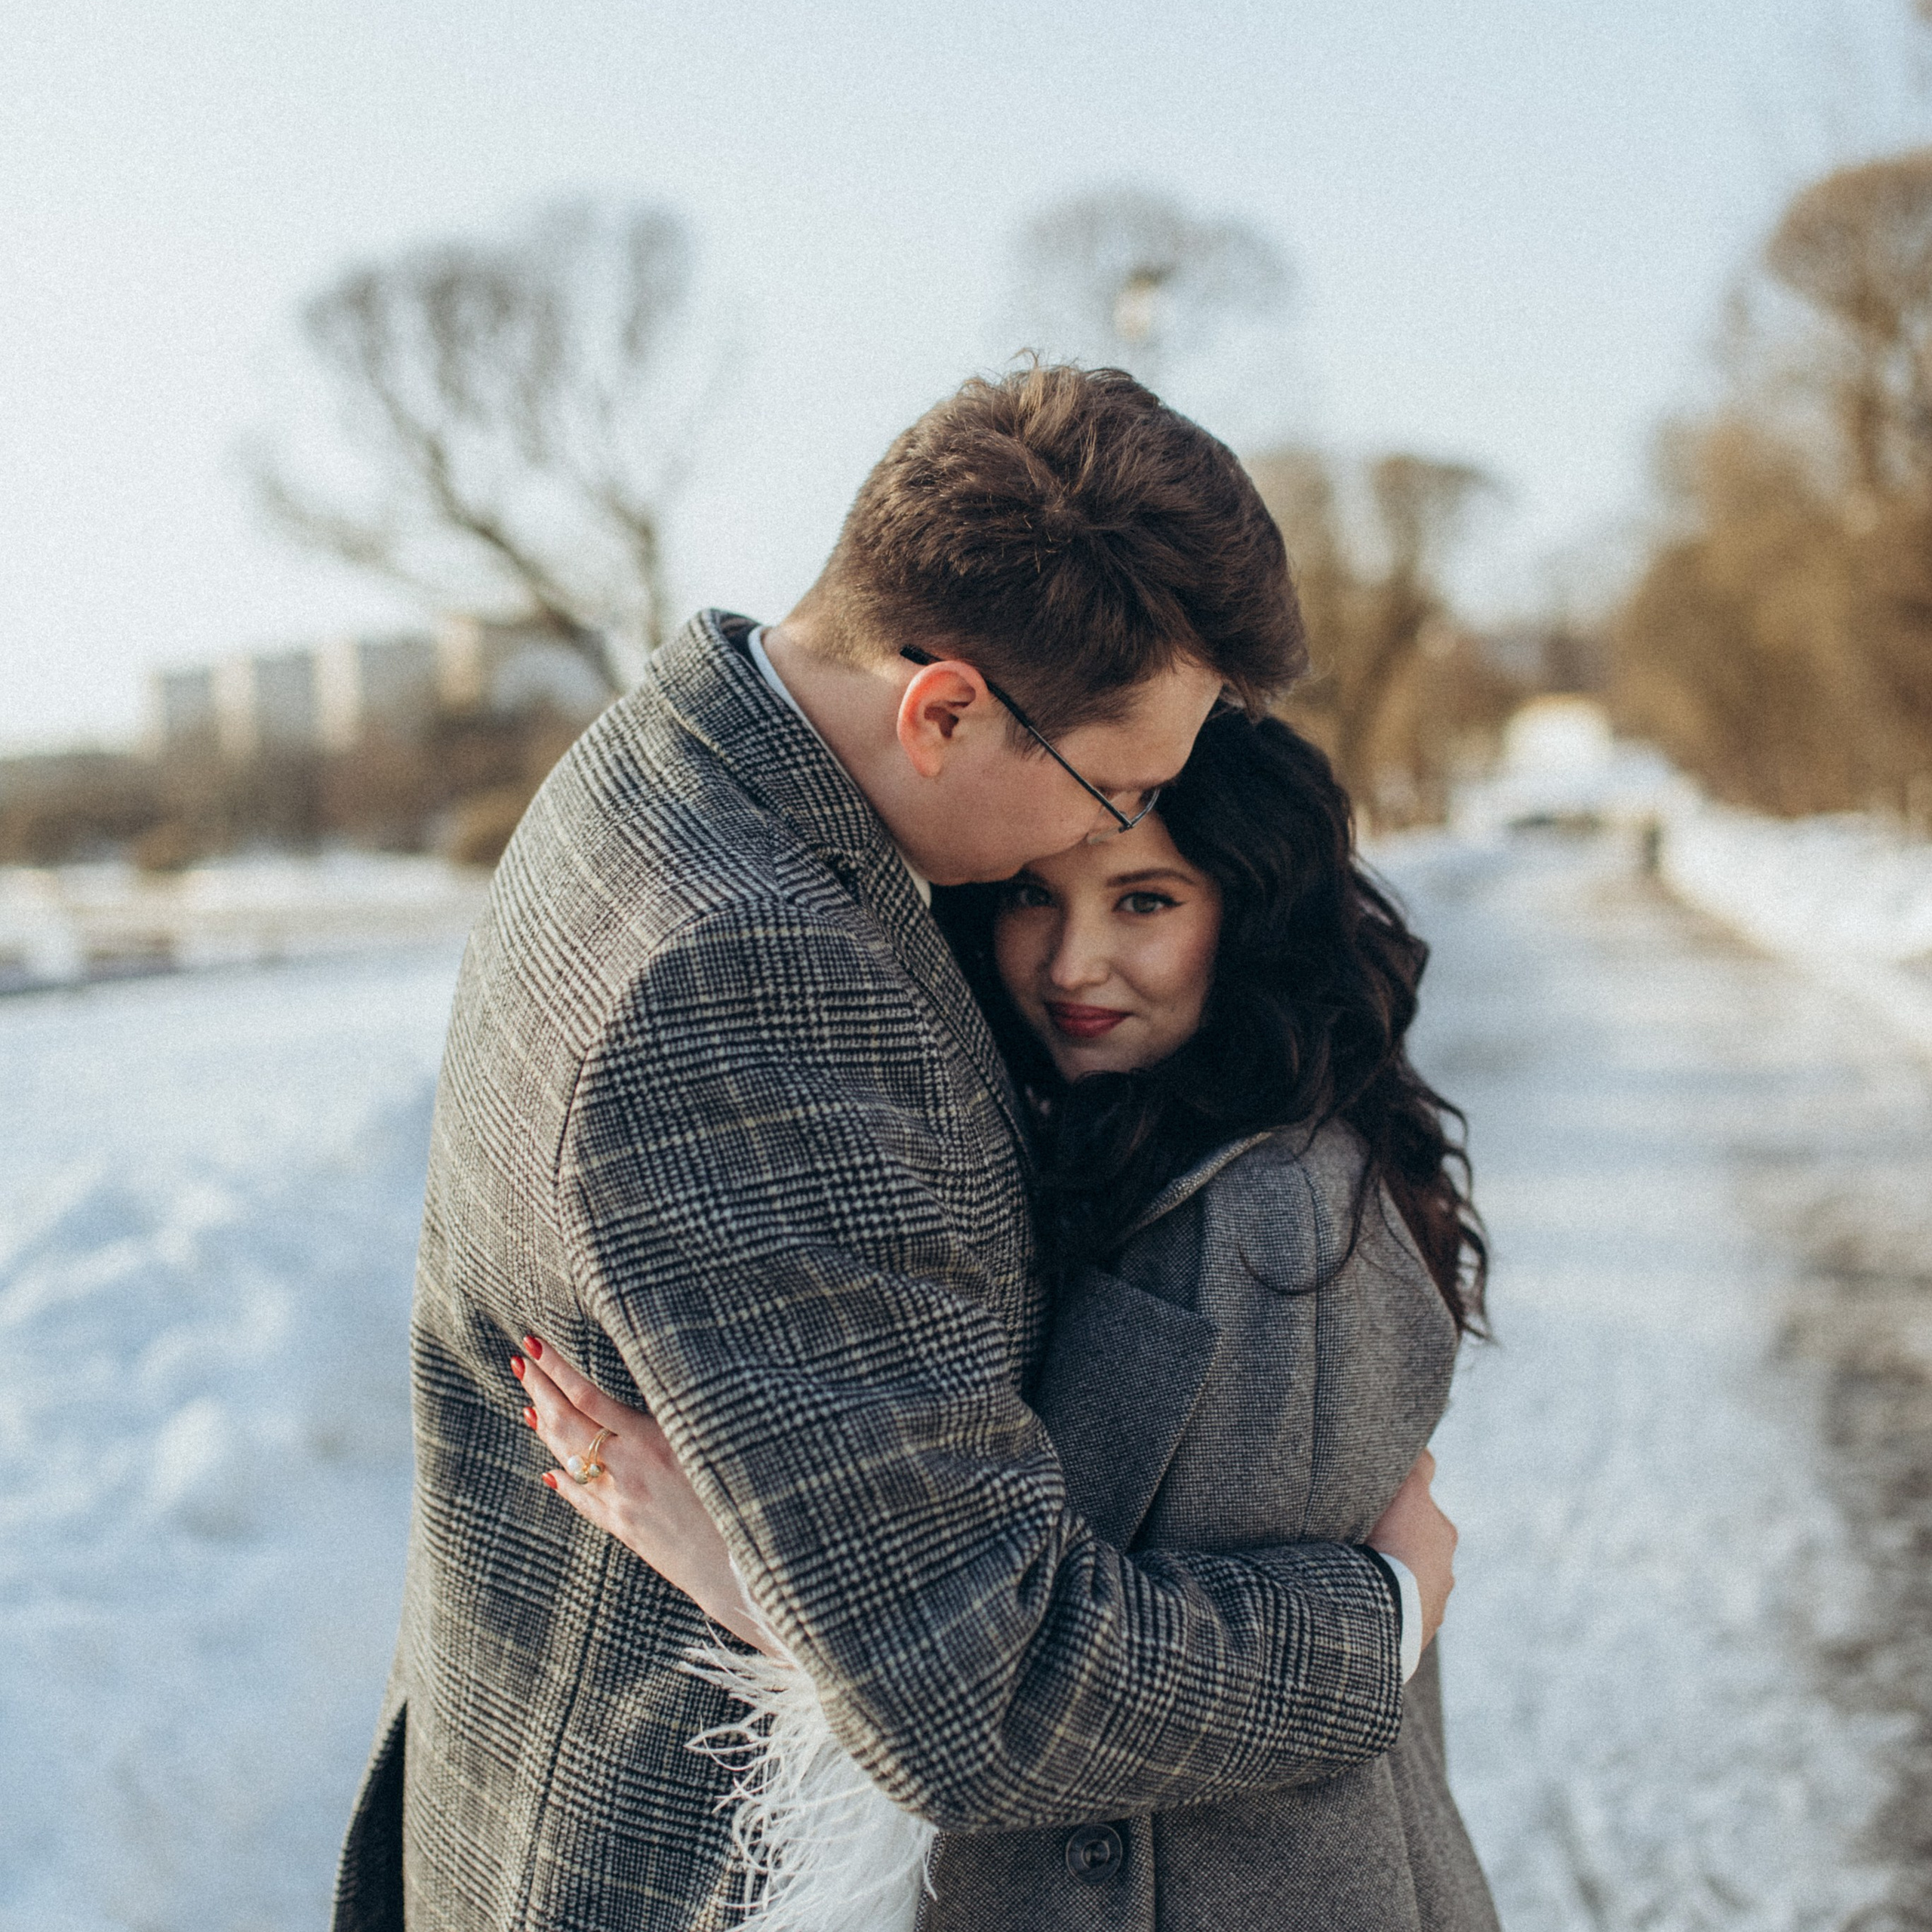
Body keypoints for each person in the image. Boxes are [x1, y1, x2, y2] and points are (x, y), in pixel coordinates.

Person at [334, 365, 1460, 1932]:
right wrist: (1383, 1614)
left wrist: (768, 1553)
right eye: (1111, 789)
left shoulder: (667, 759)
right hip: (678, 1870)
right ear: (940, 709)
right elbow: (975, 1679)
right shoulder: (751, 976)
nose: (1105, 836)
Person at [515, 709, 1497, 1930]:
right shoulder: (1144, 1150)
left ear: (1252, 921)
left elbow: (1081, 1714)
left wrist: (749, 1577)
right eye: (1037, 896)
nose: (1074, 964)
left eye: (1146, 902)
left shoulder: (1267, 1227)